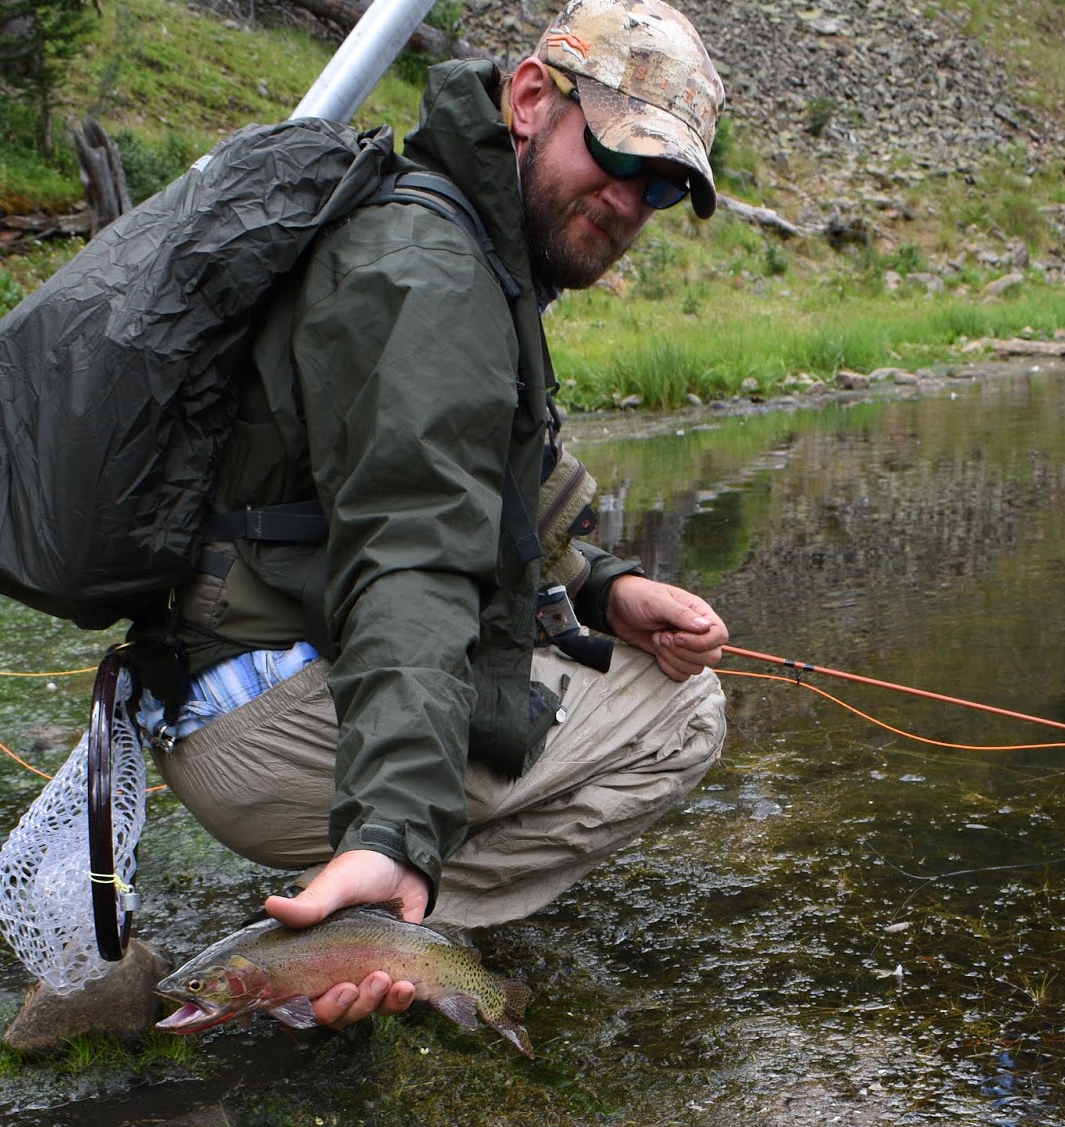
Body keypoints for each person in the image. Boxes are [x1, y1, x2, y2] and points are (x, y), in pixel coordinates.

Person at [136, 0, 730, 1032]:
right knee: (683, 715)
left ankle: (366, 920)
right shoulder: (429, 273)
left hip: (228, 667)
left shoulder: (452, 234)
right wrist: (392, 830)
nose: (632, 197)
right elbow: (411, 561)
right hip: (253, 718)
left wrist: (604, 588)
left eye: (664, 184)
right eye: (618, 153)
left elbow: (471, 492)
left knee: (593, 667)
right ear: (532, 99)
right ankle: (384, 930)